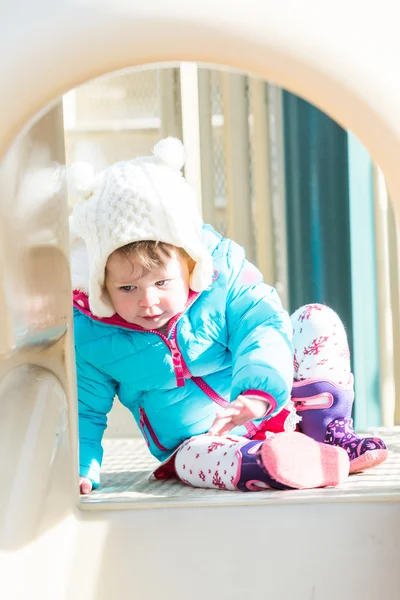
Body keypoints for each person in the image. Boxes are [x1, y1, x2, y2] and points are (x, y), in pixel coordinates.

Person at [69, 138, 388, 495]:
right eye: (128, 289)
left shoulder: (224, 279)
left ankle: (324, 432)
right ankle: (269, 463)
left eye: (162, 282)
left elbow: (262, 326)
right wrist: (81, 468)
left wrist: (257, 393)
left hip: (273, 408)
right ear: (101, 283)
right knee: (195, 459)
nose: (149, 301)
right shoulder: (93, 333)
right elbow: (85, 407)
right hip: (199, 440)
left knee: (315, 320)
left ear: (190, 262)